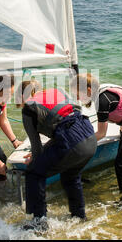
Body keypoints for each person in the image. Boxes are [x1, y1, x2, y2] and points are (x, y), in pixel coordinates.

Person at [18, 80, 97, 232]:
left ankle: (39, 223)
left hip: (71, 140)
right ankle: (79, 216)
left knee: (34, 173)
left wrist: (35, 160)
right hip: (89, 135)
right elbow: (69, 120)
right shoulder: (59, 90)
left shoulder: (28, 109)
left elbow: (36, 147)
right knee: (71, 176)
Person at [71, 73, 122, 211]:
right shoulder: (103, 92)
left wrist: (80, 142)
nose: (78, 98)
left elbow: (101, 133)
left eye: (78, 94)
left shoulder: (102, 101)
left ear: (89, 90)